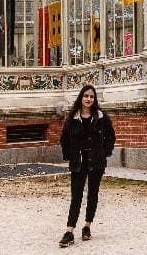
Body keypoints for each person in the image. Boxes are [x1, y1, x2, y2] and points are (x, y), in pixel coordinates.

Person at [58, 84, 115, 247]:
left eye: (91, 96)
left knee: (93, 195)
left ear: (94, 99)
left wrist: (105, 153)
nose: (88, 99)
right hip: (78, 163)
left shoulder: (101, 117)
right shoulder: (72, 119)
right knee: (76, 197)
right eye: (86, 96)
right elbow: (64, 139)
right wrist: (69, 156)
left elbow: (111, 137)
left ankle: (87, 226)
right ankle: (69, 231)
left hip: (96, 162)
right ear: (81, 98)